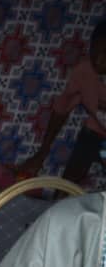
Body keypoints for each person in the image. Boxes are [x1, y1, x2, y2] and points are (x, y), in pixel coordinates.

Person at [17, 20, 106, 186]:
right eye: (95, 51)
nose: (99, 60)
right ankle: (62, 197)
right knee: (69, 182)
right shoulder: (84, 71)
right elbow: (61, 110)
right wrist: (42, 153)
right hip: (96, 133)